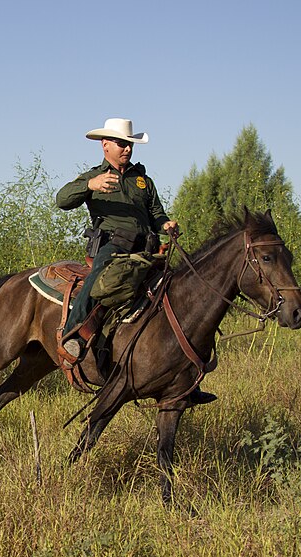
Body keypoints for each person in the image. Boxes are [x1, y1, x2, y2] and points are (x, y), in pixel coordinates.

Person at [56, 118, 216, 404]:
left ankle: (185, 374)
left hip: (148, 251)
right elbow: (62, 199)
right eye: (121, 143)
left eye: (129, 144)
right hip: (113, 247)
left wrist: (166, 225)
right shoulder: (93, 177)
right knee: (97, 284)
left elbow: (156, 214)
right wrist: (90, 185)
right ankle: (75, 337)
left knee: (179, 295)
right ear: (105, 145)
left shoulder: (143, 180)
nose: (127, 149)